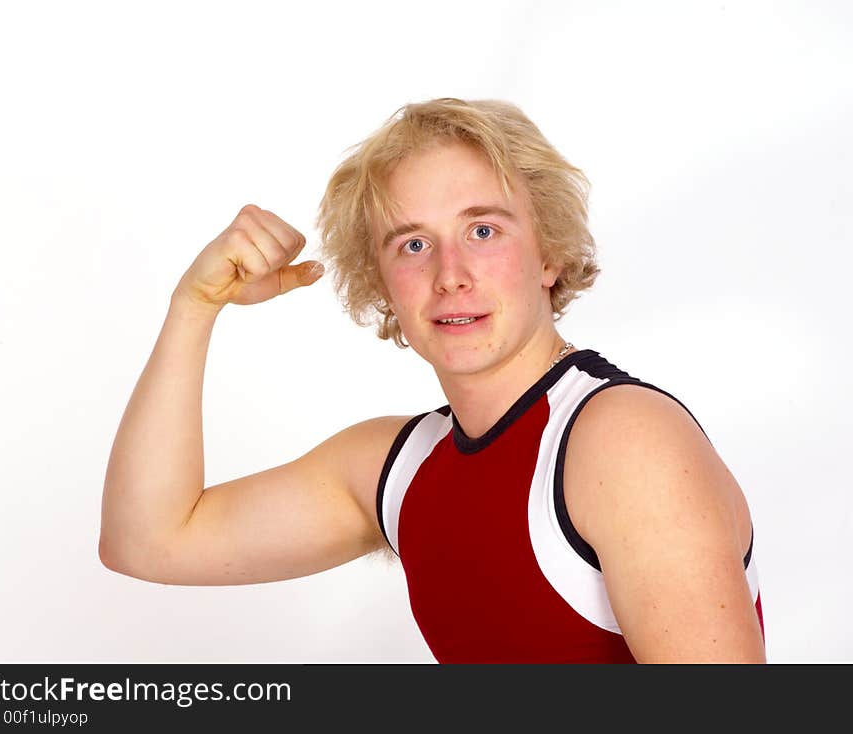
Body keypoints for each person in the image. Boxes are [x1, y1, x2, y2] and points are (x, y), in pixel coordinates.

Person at [99, 98, 766, 663]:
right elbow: (149, 542)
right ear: (382, 281)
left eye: (483, 230)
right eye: (413, 244)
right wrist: (195, 308)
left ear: (550, 253)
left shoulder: (621, 441)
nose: (451, 273)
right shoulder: (400, 468)